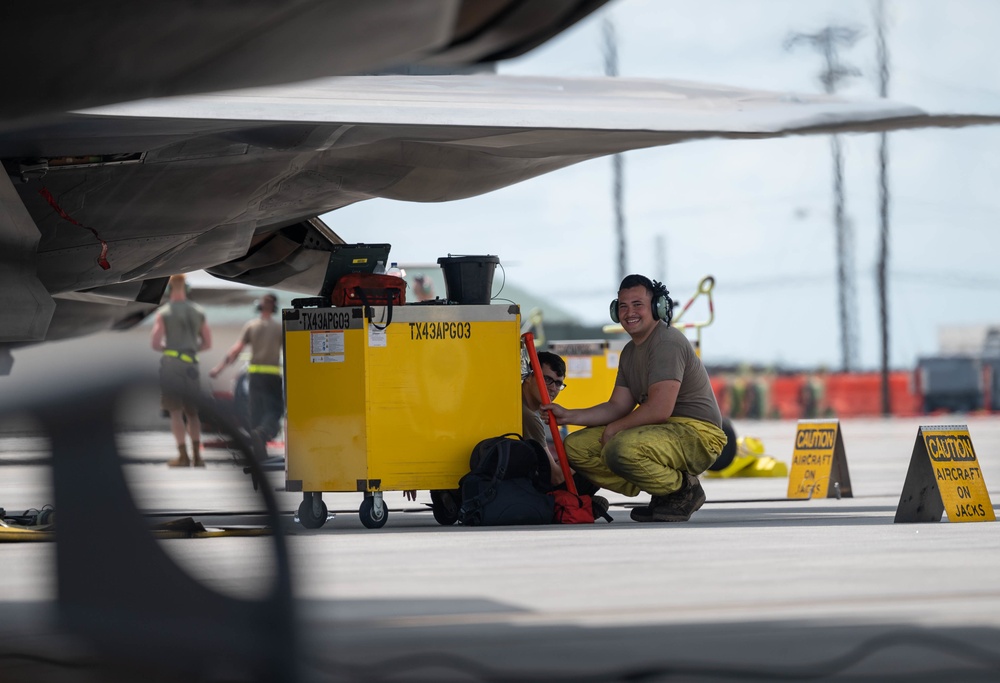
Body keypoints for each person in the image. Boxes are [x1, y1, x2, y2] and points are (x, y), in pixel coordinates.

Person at [543, 274, 727, 523]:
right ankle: (663, 490)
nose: (629, 312)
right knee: (575, 447)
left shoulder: (667, 342)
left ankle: (683, 490)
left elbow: (660, 408)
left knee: (621, 447)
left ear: (657, 307)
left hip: (697, 433)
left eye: (638, 304)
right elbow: (618, 405)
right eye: (623, 306)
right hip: (661, 431)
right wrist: (569, 414)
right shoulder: (630, 351)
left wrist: (615, 429)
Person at [210, 292, 283, 459]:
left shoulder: (251, 326)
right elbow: (291, 350)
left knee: (256, 413)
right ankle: (263, 434)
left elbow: (236, 350)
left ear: (259, 306)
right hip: (271, 377)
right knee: (274, 410)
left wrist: (219, 368)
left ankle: (260, 450)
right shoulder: (279, 328)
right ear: (275, 307)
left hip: (254, 378)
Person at [150, 274, 213, 467]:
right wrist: (192, 349)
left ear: (169, 289)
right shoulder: (198, 311)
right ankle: (198, 456)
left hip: (172, 365)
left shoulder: (164, 312)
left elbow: (154, 343)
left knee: (175, 412)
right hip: (191, 364)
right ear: (187, 288)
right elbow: (207, 343)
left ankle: (183, 456)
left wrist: (168, 348)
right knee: (193, 413)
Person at [521, 351, 568, 487]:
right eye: (547, 380)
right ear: (529, 377)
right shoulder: (528, 416)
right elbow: (556, 477)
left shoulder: (522, 405)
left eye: (558, 383)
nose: (553, 388)